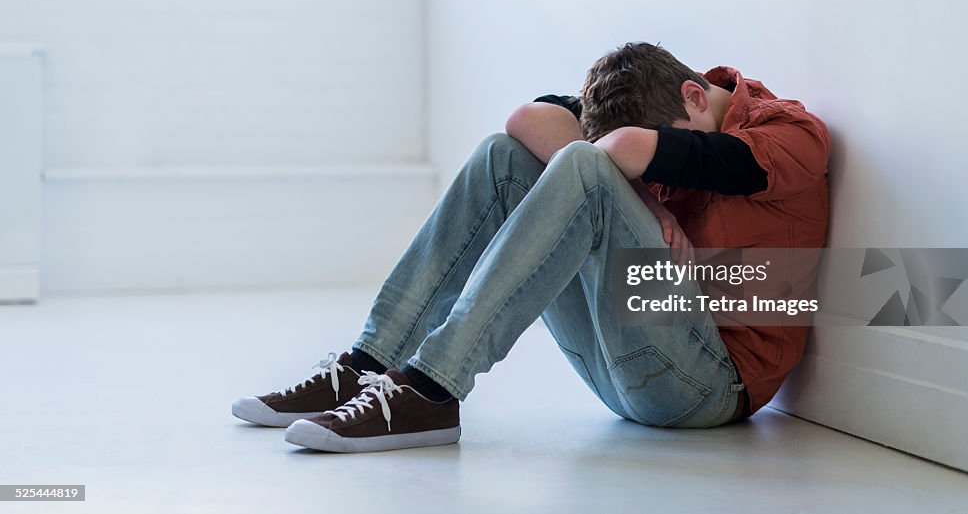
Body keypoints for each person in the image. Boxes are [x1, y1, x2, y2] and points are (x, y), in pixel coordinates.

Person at [231, 42, 830, 453]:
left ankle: (434, 388)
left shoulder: (792, 134)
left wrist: (619, 167)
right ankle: (366, 365)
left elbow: (685, 159)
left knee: (582, 165)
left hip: (708, 386)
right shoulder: (666, 116)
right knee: (505, 158)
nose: (658, 184)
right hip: (623, 361)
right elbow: (530, 117)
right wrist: (649, 203)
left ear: (696, 97)